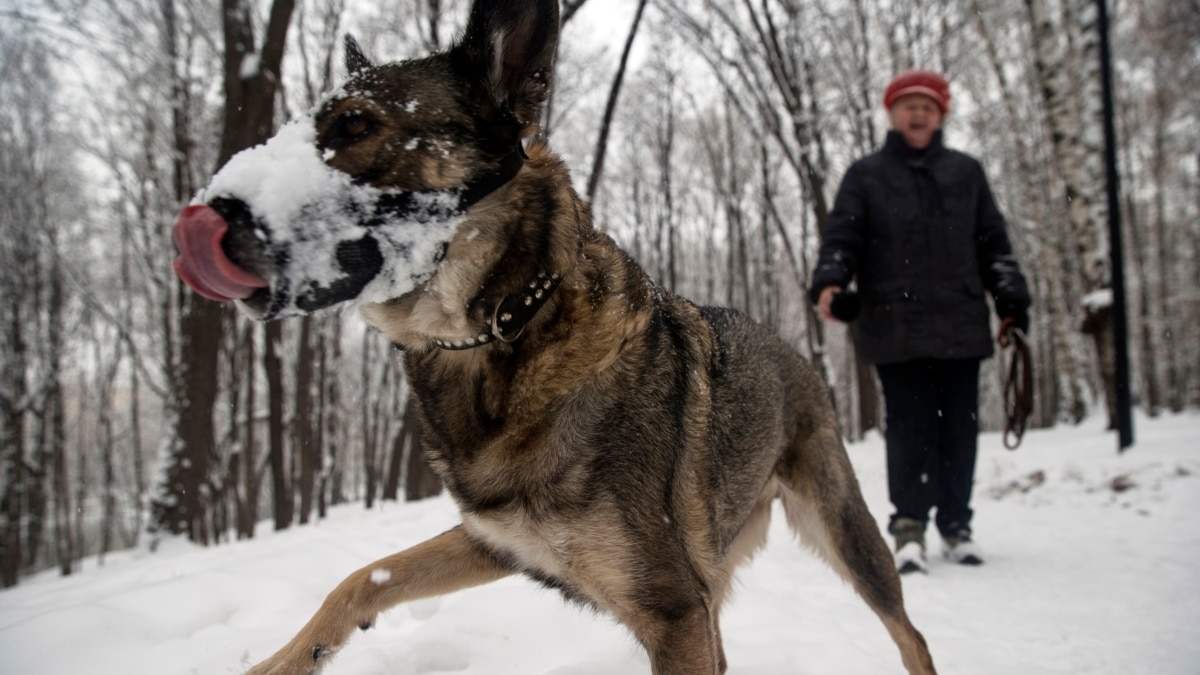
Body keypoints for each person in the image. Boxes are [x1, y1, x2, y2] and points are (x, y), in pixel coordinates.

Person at [809, 69, 1031, 574]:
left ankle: (956, 525)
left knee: (958, 430)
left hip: (961, 323)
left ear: (941, 116)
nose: (918, 114)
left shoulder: (966, 173)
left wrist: (1011, 297)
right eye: (908, 105)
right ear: (892, 113)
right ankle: (908, 527)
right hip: (894, 326)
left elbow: (994, 244)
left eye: (927, 107)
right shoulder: (866, 175)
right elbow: (842, 237)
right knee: (909, 430)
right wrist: (830, 281)